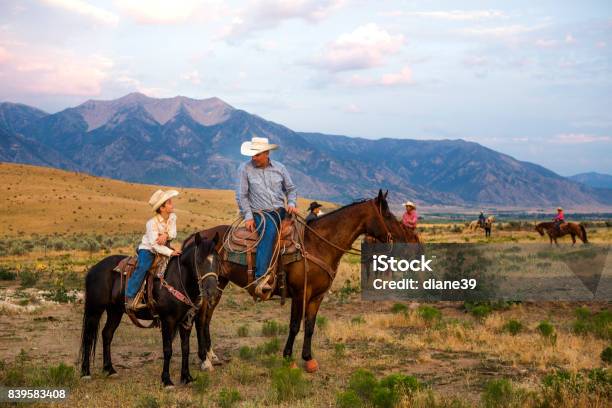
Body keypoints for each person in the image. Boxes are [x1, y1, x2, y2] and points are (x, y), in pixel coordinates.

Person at [236, 136, 298, 298]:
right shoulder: (245, 169)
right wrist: (248, 217)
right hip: (260, 213)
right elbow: (242, 196)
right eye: (252, 154)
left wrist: (291, 202)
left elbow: (291, 189)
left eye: (257, 154)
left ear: (267, 153)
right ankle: (261, 277)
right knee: (268, 234)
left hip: (280, 210)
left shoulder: (280, 168)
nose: (253, 158)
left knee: (301, 230)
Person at [125, 189, 182, 310]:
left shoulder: (172, 217)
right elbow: (154, 245)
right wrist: (170, 252)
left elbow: (173, 233)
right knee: (143, 267)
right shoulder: (151, 223)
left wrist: (165, 236)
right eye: (169, 203)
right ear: (162, 208)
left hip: (164, 247)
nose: (172, 205)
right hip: (148, 249)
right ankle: (130, 297)